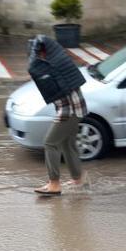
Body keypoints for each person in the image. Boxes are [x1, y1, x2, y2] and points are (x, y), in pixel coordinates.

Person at [27, 35, 88, 196]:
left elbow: (64, 94)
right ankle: (79, 180)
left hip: (70, 110)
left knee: (50, 143)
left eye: (38, 53)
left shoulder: (55, 65)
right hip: (75, 108)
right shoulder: (58, 61)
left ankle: (54, 184)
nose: (37, 57)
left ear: (43, 51)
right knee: (68, 144)